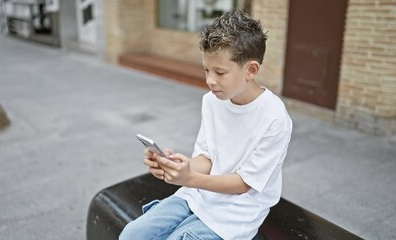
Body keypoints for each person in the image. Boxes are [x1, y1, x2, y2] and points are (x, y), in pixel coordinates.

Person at [119, 9, 293, 240]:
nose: (210, 80)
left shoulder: (274, 118)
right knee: (131, 235)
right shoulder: (211, 101)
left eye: (220, 72)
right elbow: (208, 158)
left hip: (238, 211)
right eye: (206, 70)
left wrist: (190, 178)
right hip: (198, 194)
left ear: (251, 70)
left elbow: (245, 184)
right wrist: (179, 166)